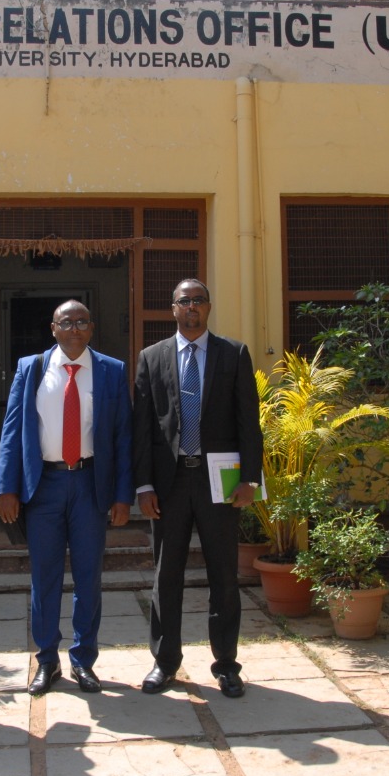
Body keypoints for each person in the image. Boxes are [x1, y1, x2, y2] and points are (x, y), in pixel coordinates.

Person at [0, 300, 133, 696]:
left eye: (82, 322)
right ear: (52, 327)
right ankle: (47, 661)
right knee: (45, 576)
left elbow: (123, 437)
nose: (74, 328)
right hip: (45, 487)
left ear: (92, 328)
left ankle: (83, 660)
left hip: (90, 484)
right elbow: (11, 430)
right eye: (66, 322)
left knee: (89, 576)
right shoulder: (31, 368)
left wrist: (122, 495)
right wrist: (7, 487)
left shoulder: (111, 371)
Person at [132, 279, 263, 698]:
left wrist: (250, 479)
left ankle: (226, 663)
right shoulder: (151, 358)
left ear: (209, 307)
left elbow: (248, 421)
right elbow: (142, 428)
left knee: (223, 573)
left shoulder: (233, 353)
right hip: (169, 484)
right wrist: (144, 484)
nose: (192, 307)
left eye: (199, 301)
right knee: (165, 575)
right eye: (184, 301)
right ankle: (165, 661)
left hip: (218, 480)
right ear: (172, 309)